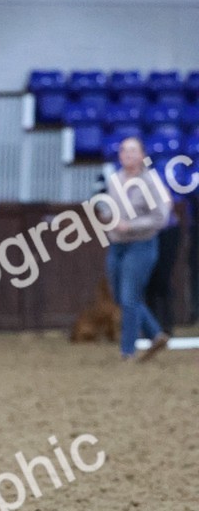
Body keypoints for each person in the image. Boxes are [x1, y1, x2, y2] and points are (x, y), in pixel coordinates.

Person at [104, 137, 172, 362]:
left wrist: (130, 225)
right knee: (121, 296)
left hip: (141, 244)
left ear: (142, 155)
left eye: (133, 151)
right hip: (117, 244)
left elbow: (161, 217)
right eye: (124, 150)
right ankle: (155, 333)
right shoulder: (115, 180)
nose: (128, 155)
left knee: (129, 296)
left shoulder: (151, 181)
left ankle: (127, 350)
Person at [144, 188, 182, 337]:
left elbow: (171, 201)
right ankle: (152, 329)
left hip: (166, 229)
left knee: (163, 279)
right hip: (142, 233)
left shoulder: (159, 173)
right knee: (147, 281)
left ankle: (166, 325)